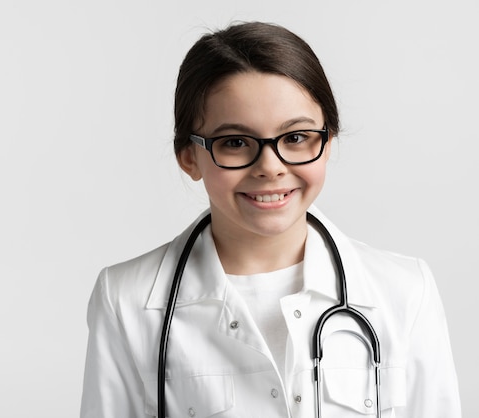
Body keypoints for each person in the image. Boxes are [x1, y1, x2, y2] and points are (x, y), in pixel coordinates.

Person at [80, 21, 461, 417]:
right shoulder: (126, 300)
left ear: (327, 142)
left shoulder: (404, 292)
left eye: (295, 137)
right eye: (235, 142)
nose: (270, 167)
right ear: (189, 156)